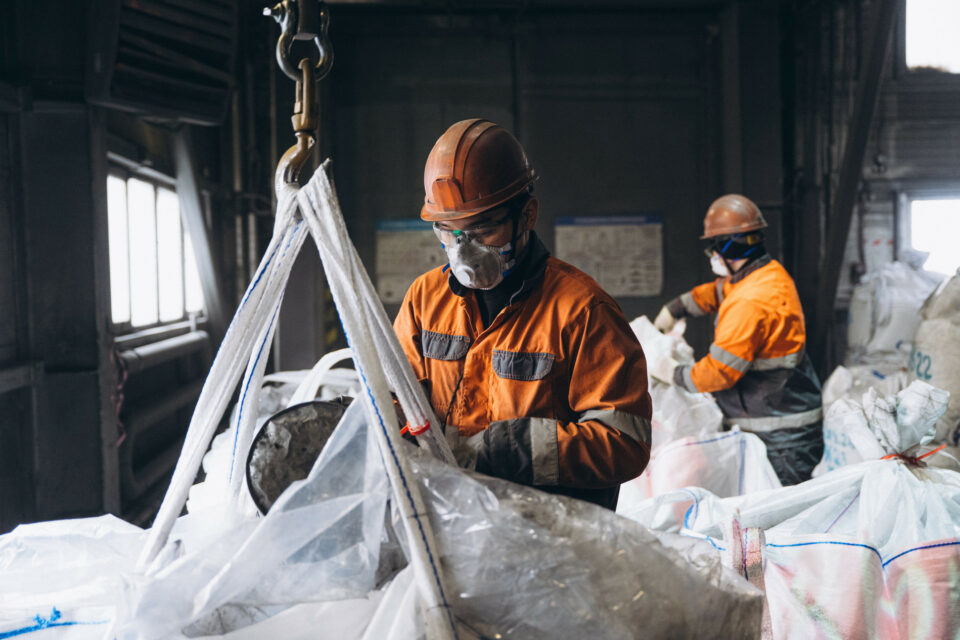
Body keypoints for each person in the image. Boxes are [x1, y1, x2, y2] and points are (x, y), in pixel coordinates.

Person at [393, 118, 651, 510]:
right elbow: (395, 398)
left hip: (551, 539)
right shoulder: (424, 299)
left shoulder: (582, 311)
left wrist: (510, 450)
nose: (463, 250)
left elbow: (625, 443)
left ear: (527, 215)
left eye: (482, 229)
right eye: (449, 231)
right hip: (451, 523)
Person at [650, 194, 823, 485]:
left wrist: (672, 373)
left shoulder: (750, 302)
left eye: (714, 249)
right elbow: (718, 292)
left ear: (727, 247)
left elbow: (718, 372)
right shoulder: (766, 275)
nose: (713, 258)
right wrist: (676, 308)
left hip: (778, 437)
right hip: (788, 423)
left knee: (777, 520)